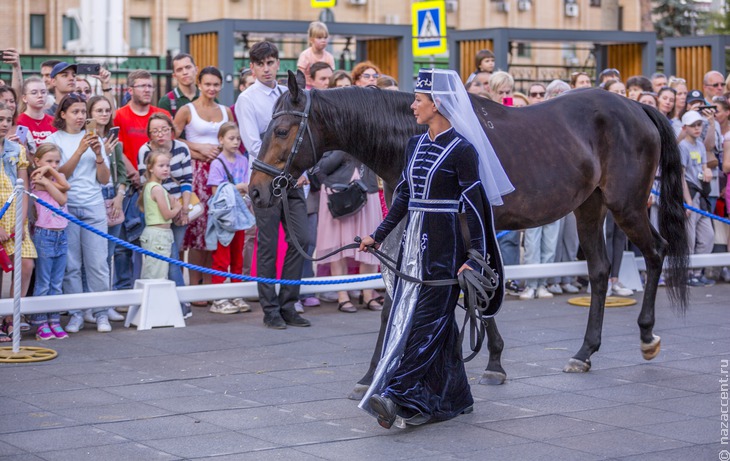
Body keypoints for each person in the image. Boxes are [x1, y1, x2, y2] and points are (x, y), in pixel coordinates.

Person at [358, 68, 512, 429]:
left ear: (437, 104)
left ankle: (396, 395)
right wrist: (378, 235)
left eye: (419, 100)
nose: (413, 105)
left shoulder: (463, 150)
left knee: (425, 321)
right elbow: (405, 195)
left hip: (445, 247)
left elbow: (474, 207)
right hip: (412, 242)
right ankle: (455, 397)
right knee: (426, 322)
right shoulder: (414, 144)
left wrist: (475, 258)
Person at [235, 41, 310, 329]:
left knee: (301, 238)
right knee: (267, 244)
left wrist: (300, 170)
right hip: (266, 179)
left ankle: (289, 303)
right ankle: (270, 309)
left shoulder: (288, 93)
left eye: (271, 62)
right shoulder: (247, 99)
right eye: (260, 64)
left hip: (292, 179)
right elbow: (254, 144)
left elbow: (302, 135)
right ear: (252, 68)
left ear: (278, 64)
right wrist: (285, 169)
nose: (266, 69)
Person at [47, 94, 112, 333]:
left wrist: (97, 154)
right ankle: (76, 314)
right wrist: (79, 150)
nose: (81, 117)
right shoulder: (55, 139)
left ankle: (101, 313)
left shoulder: (96, 139)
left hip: (94, 205)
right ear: (62, 114)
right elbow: (59, 175)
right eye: (75, 112)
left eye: (83, 112)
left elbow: (104, 179)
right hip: (67, 207)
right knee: (72, 266)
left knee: (98, 264)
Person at [175, 66, 232, 301]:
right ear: (199, 84)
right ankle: (195, 287)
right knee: (197, 229)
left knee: (216, 227)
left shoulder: (226, 111)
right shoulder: (187, 110)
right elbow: (172, 137)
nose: (211, 88)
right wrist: (197, 148)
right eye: (207, 84)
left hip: (220, 174)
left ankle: (210, 285)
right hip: (196, 172)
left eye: (216, 84)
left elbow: (233, 137)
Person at [113, 70, 171, 295]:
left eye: (150, 86)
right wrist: (133, 172)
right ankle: (123, 292)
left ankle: (153, 291)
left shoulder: (161, 113)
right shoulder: (120, 115)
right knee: (124, 244)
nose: (147, 90)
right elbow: (116, 145)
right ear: (130, 90)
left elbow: (169, 145)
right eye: (142, 86)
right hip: (130, 187)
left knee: (156, 241)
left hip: (158, 188)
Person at [138, 113, 193, 317]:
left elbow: (187, 178)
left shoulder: (182, 148)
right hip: (164, 209)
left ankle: (173, 303)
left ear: (171, 129)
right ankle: (179, 304)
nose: (160, 134)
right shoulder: (144, 151)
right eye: (155, 130)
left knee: (173, 255)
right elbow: (149, 183)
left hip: (179, 204)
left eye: (164, 129)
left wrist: (184, 208)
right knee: (169, 258)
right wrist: (174, 207)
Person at [315, 151, 383, 313]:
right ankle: (342, 295)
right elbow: (322, 167)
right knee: (338, 246)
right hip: (337, 193)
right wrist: (345, 146)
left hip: (366, 188)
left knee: (369, 243)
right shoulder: (330, 134)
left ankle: (368, 293)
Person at [87, 95, 128, 322]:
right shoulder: (86, 141)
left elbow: (121, 173)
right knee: (93, 256)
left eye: (107, 110)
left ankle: (106, 302)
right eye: (99, 110)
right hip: (94, 196)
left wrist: (120, 196)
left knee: (109, 254)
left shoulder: (115, 141)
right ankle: (89, 305)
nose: (104, 114)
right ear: (90, 114)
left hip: (113, 195)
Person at [205, 122, 251, 314]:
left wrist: (242, 189)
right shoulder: (217, 163)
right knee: (221, 257)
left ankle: (235, 292)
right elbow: (216, 191)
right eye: (231, 138)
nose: (235, 142)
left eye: (238, 138)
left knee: (237, 256)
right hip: (224, 217)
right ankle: (219, 296)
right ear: (221, 139)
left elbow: (248, 185)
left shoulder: (243, 160)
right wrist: (239, 187)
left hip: (240, 214)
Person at [0, 101, 36, 342]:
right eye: (0, 119)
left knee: (26, 265)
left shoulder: (16, 150)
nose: (4, 124)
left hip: (15, 215)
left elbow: (23, 186)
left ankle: (12, 317)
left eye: (8, 120)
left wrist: (22, 220)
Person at [28, 143, 70, 340]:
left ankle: (54, 320)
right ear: (37, 161)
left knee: (57, 281)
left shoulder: (55, 178)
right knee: (44, 282)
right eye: (49, 161)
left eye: (57, 162)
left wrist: (51, 171)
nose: (54, 165)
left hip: (62, 234)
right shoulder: (36, 179)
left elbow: (66, 187)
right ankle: (40, 322)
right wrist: (48, 175)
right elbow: (62, 199)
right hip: (45, 234)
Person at [679, 110, 715, 287]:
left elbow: (703, 167)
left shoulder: (700, 145)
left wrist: (707, 171)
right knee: (689, 239)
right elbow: (681, 176)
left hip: (701, 195)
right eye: (693, 125)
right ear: (685, 128)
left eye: (699, 125)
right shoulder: (683, 147)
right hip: (691, 197)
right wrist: (687, 201)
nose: (697, 128)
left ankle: (698, 271)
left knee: (708, 236)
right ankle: (688, 274)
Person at [139, 151, 181, 280]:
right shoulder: (157, 189)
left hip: (159, 234)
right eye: (161, 166)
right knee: (156, 274)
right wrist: (177, 208)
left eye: (167, 166)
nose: (165, 169)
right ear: (150, 168)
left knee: (157, 271)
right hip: (157, 235)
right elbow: (167, 214)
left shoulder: (155, 187)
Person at [17, 77, 55, 153]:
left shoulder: (54, 121)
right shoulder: (18, 122)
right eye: (34, 93)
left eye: (43, 92)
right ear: (24, 98)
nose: (40, 95)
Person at [158, 53, 199, 120]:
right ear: (174, 76)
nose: (185, 72)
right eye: (179, 70)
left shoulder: (207, 97)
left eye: (188, 67)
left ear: (196, 70)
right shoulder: (166, 101)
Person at [297, 21, 335, 87]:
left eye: (325, 37)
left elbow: (332, 75)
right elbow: (300, 75)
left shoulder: (329, 57)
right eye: (319, 38)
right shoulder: (305, 55)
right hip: (307, 87)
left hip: (324, 88)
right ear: (311, 40)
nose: (323, 40)